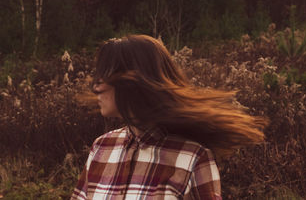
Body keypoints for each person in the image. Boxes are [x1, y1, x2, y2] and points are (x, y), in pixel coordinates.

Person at [71, 35, 267, 200]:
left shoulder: (193, 159)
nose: (96, 87)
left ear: (134, 82)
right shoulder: (101, 148)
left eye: (105, 76)